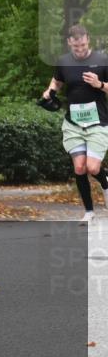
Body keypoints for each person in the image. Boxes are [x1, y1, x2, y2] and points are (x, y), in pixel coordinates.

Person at [43, 24, 108, 222]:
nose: (79, 50)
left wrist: (100, 84)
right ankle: (89, 212)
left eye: (82, 45)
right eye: (75, 46)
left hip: (98, 122)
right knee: (79, 168)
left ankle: (105, 184)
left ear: (88, 39)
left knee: (93, 168)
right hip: (73, 123)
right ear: (69, 43)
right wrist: (50, 91)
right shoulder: (64, 62)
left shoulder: (102, 60)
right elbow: (57, 81)